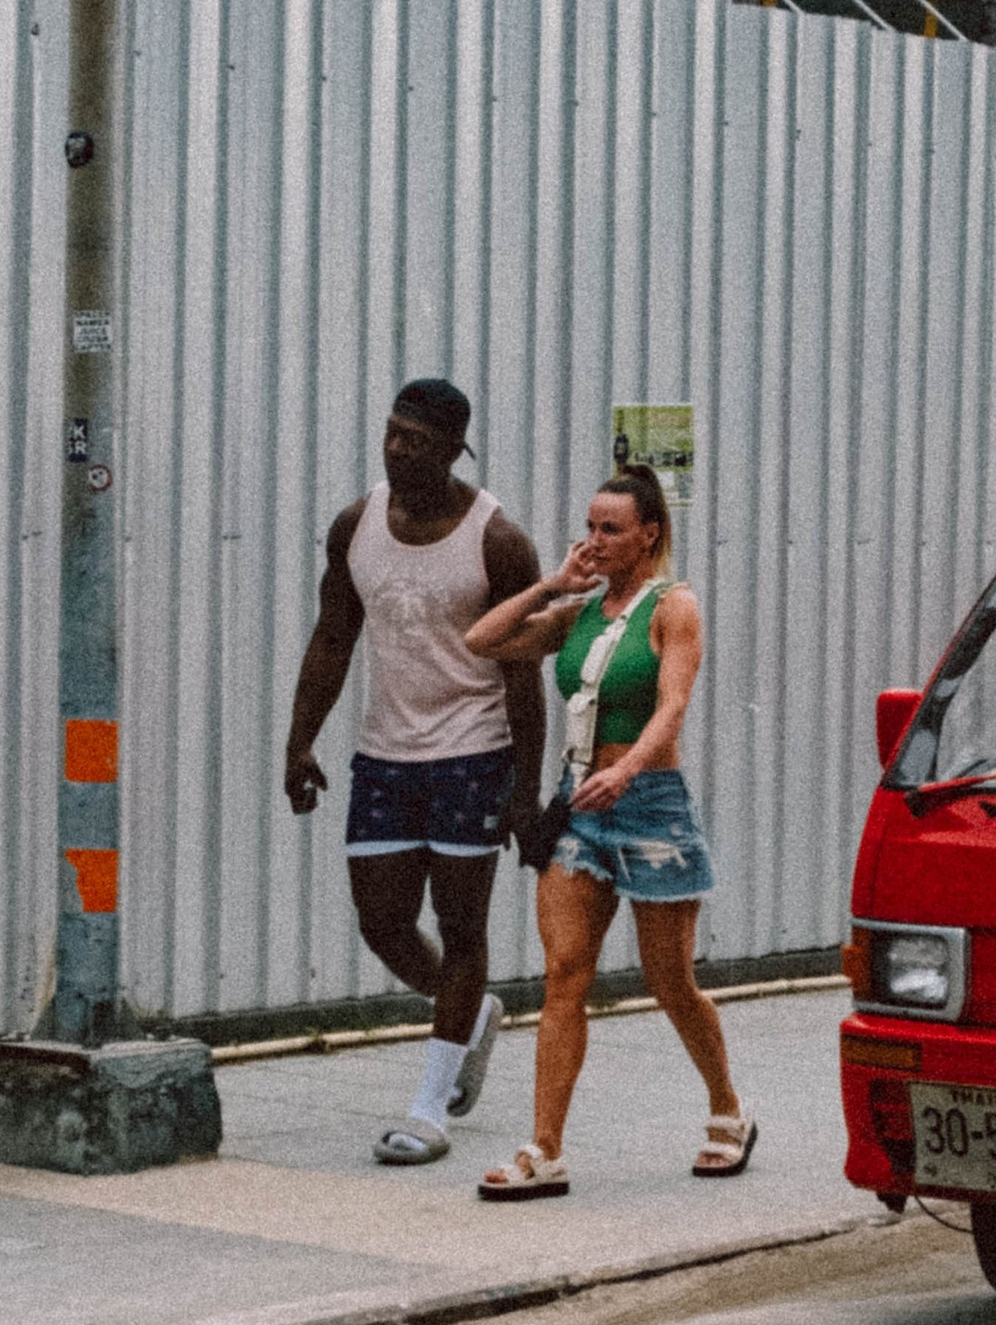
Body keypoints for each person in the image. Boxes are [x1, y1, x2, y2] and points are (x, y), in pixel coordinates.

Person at [461, 465, 752, 1198]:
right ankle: (545, 1149)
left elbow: (673, 705)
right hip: (578, 806)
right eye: (589, 527)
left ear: (648, 534)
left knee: (670, 981)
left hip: (650, 803)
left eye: (610, 530)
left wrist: (626, 773)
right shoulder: (582, 610)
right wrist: (554, 586)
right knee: (565, 975)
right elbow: (484, 639)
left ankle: (728, 1110)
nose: (594, 541)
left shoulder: (673, 606)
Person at [282, 377, 547, 1166]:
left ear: (452, 449)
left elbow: (524, 675)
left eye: (416, 441)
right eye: (391, 433)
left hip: (474, 750)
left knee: (462, 926)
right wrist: (299, 742)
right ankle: (468, 1013)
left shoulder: (498, 542)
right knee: (383, 921)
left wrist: (524, 794)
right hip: (386, 754)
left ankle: (430, 1108)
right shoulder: (356, 526)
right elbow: (334, 637)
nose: (398, 449)